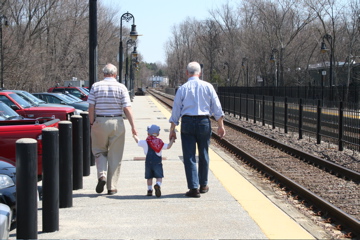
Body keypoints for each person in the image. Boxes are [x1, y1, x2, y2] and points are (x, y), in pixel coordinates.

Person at [169, 61, 225, 198]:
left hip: (187, 122)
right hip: (204, 122)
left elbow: (176, 110)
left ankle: (193, 188)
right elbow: (217, 107)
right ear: (199, 73)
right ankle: (204, 185)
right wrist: (220, 125)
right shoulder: (208, 87)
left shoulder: (182, 88)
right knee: (204, 154)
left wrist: (172, 128)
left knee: (189, 156)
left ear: (187, 73)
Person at [87, 63, 137, 195]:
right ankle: (112, 186)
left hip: (100, 121)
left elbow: (91, 107)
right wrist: (133, 126)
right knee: (115, 155)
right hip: (117, 122)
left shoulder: (95, 86)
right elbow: (127, 108)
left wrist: (92, 122)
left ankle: (101, 175)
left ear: (103, 73)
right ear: (115, 75)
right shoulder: (121, 87)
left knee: (99, 151)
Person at [133, 124, 175, 197]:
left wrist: (134, 135)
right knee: (159, 176)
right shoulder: (160, 143)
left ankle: (149, 190)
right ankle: (158, 185)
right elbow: (168, 146)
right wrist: (172, 140)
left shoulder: (145, 142)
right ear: (158, 134)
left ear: (148, 133)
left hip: (148, 162)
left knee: (149, 177)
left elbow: (138, 141)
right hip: (157, 162)